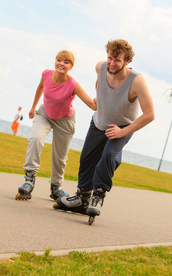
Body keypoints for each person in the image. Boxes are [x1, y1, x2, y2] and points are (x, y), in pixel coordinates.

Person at [55, 39, 155, 219]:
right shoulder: (100, 67)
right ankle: (82, 198)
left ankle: (98, 196)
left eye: (117, 60)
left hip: (121, 127)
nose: (112, 63)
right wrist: (99, 101)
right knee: (86, 158)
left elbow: (149, 114)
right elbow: (99, 87)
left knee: (108, 155)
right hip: (99, 122)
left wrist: (123, 132)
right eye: (110, 57)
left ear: (127, 61)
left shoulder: (137, 81)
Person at [15, 50, 97, 201]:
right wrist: (33, 108)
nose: (61, 64)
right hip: (45, 114)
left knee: (60, 156)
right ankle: (29, 179)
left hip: (65, 121)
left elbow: (92, 105)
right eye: (59, 60)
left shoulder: (73, 84)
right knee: (35, 139)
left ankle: (56, 187)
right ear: (55, 61)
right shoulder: (46, 74)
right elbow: (40, 88)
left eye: (66, 62)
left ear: (71, 66)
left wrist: (100, 97)